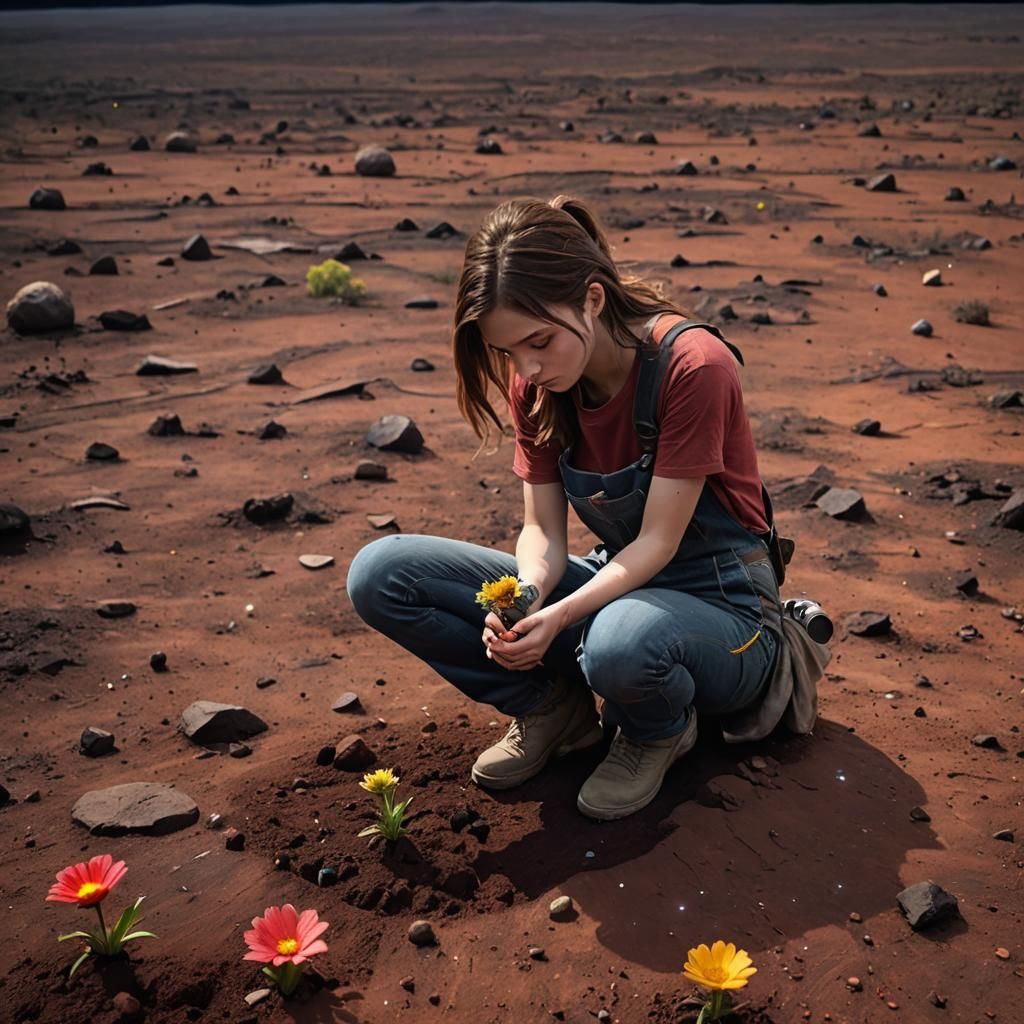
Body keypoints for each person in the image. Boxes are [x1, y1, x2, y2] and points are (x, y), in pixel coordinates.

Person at [346, 194, 829, 822]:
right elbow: (541, 530)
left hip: (728, 615)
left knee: (619, 643)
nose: (527, 367)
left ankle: (657, 729)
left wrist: (563, 614)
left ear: (592, 298)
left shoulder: (692, 367)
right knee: (383, 573)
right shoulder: (541, 383)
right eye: (509, 352)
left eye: (540, 341)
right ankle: (554, 708)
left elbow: (657, 542)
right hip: (618, 590)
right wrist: (527, 596)